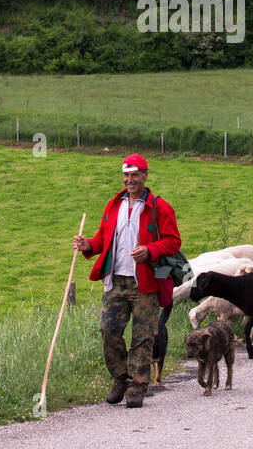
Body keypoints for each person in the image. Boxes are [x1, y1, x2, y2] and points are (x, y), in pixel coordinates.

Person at [72, 153, 181, 408]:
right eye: (126, 175)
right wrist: (88, 244)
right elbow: (103, 239)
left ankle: (137, 386)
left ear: (145, 175)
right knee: (108, 330)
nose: (130, 180)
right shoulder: (113, 205)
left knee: (143, 337)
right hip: (115, 281)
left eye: (134, 174)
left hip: (145, 282)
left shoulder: (160, 207)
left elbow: (174, 241)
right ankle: (120, 378)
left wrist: (150, 250)